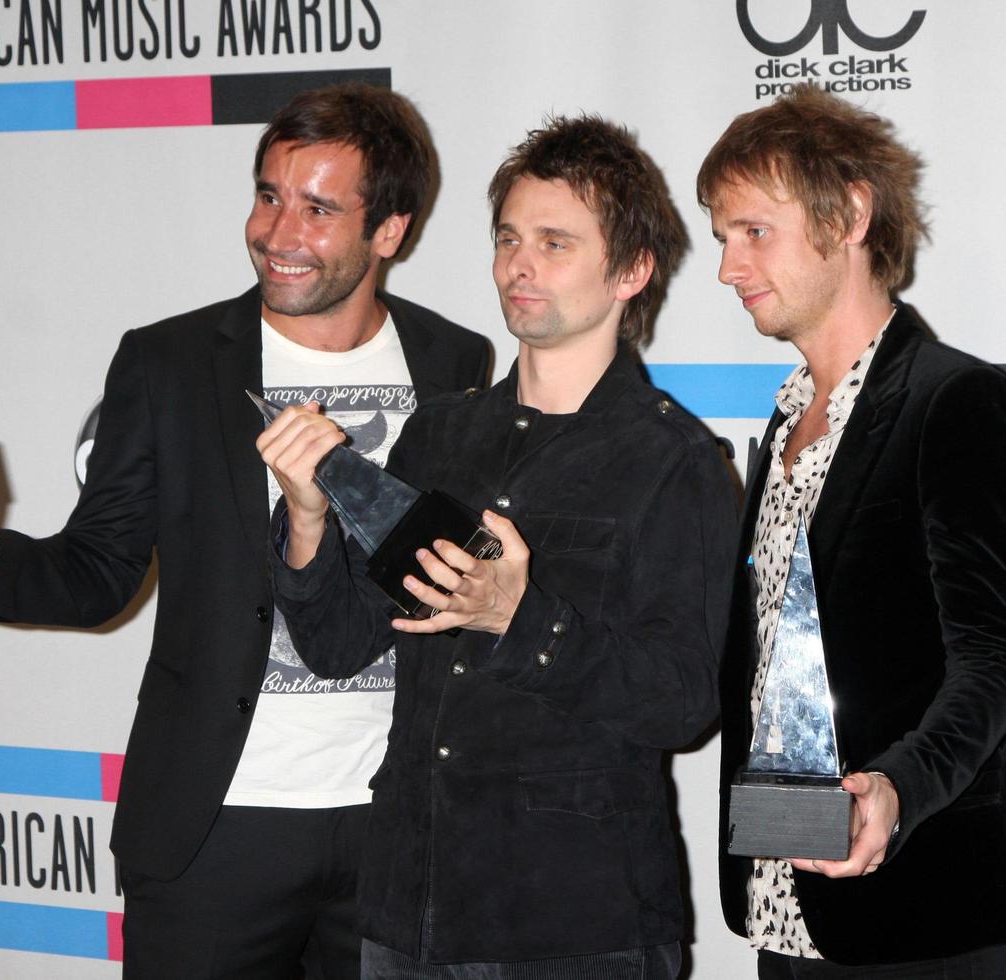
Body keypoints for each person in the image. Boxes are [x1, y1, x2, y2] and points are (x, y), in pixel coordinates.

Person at [0, 82, 490, 979]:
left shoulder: (453, 359)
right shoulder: (169, 362)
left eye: (318, 209)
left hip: (400, 822)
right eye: (268, 195)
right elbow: (99, 570)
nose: (278, 234)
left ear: (388, 231)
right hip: (215, 825)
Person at [258, 114, 736, 978]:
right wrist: (307, 518)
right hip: (408, 907)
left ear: (631, 271)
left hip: (570, 922)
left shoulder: (674, 463)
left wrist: (520, 617)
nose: (518, 265)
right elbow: (335, 644)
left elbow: (682, 701)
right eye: (509, 238)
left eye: (555, 243)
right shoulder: (436, 438)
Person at [699, 84, 1006, 978]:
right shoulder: (782, 422)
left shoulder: (960, 405)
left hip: (918, 900)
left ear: (849, 213)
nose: (728, 268)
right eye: (722, 237)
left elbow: (996, 662)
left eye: (754, 231)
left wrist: (897, 786)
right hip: (784, 901)